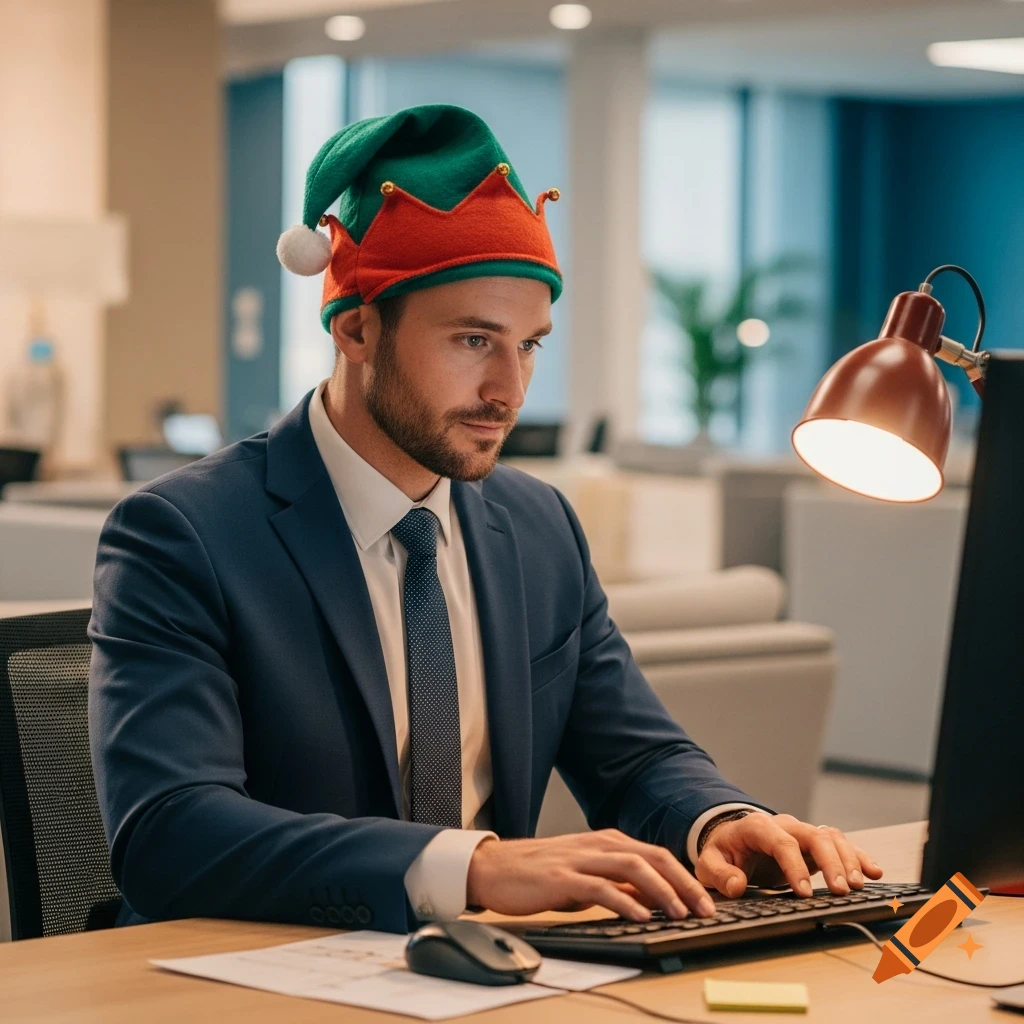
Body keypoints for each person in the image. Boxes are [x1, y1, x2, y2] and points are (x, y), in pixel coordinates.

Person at [89, 104, 883, 933]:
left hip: (485, 975)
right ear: (357, 328)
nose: (510, 390)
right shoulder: (185, 533)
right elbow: (170, 833)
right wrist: (473, 866)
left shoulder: (536, 525)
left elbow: (635, 753)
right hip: (244, 979)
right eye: (474, 340)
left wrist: (718, 820)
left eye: (530, 344)